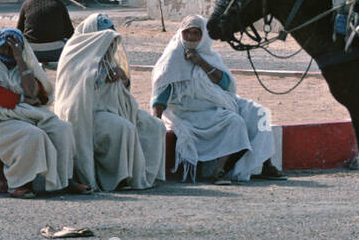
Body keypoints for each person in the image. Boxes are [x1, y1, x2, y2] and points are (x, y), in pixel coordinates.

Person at [0, 28, 90, 198]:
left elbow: (34, 93)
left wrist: (20, 60)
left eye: (14, 49)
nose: (8, 52)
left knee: (62, 129)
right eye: (5, 48)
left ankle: (64, 180)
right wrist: (21, 100)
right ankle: (19, 184)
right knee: (32, 135)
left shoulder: (22, 62)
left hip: (21, 113)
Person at [150, 14, 283, 183]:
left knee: (259, 113)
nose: (190, 37)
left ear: (203, 36)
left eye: (195, 33)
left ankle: (266, 163)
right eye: (187, 33)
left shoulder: (208, 55)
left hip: (219, 100)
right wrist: (155, 124)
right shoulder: (172, 59)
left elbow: (225, 84)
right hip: (191, 110)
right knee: (234, 121)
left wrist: (200, 62)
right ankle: (219, 171)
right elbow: (160, 96)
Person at [53, 14, 167, 191]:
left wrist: (122, 76)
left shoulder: (107, 56)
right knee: (123, 128)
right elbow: (80, 91)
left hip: (116, 109)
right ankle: (119, 179)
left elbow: (122, 91)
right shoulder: (76, 52)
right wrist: (102, 75)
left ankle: (147, 176)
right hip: (89, 114)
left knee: (155, 125)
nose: (112, 45)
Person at [16, 0, 75, 65]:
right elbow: (70, 32)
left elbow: (19, 31)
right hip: (56, 52)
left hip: (32, 53)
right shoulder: (59, 4)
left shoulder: (26, 4)